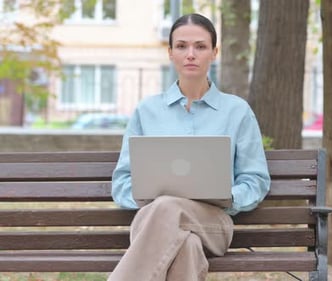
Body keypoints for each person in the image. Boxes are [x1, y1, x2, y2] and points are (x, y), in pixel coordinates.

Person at [108, 13, 271, 281]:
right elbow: (122, 182)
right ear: (170, 53)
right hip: (155, 224)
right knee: (187, 246)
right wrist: (149, 197)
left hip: (214, 223)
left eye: (200, 46)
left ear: (214, 53)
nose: (191, 54)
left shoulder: (237, 111)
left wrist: (229, 196)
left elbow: (256, 180)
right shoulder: (147, 111)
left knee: (168, 209)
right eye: (182, 46)